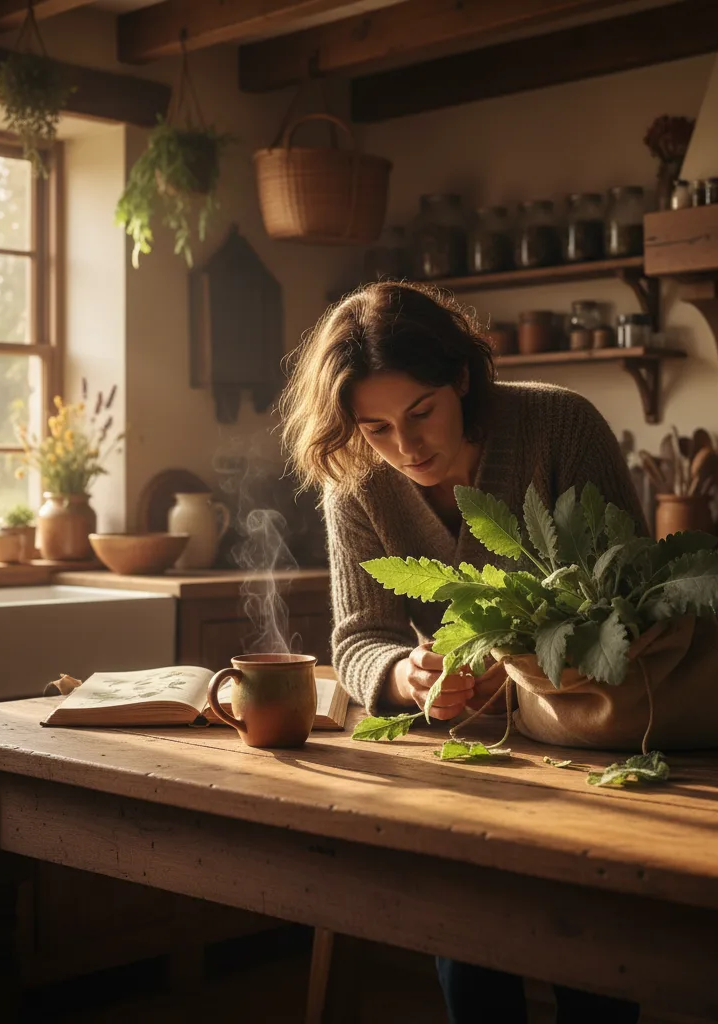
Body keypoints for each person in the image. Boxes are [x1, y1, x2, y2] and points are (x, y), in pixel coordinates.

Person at [281, 281, 645, 1024]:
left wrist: (511, 670)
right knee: (466, 932)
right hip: (475, 760)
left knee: (595, 962)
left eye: (421, 413)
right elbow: (358, 636)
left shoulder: (560, 426)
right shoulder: (354, 475)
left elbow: (629, 602)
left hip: (591, 740)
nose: (405, 447)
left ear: (463, 380)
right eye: (377, 428)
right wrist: (404, 679)